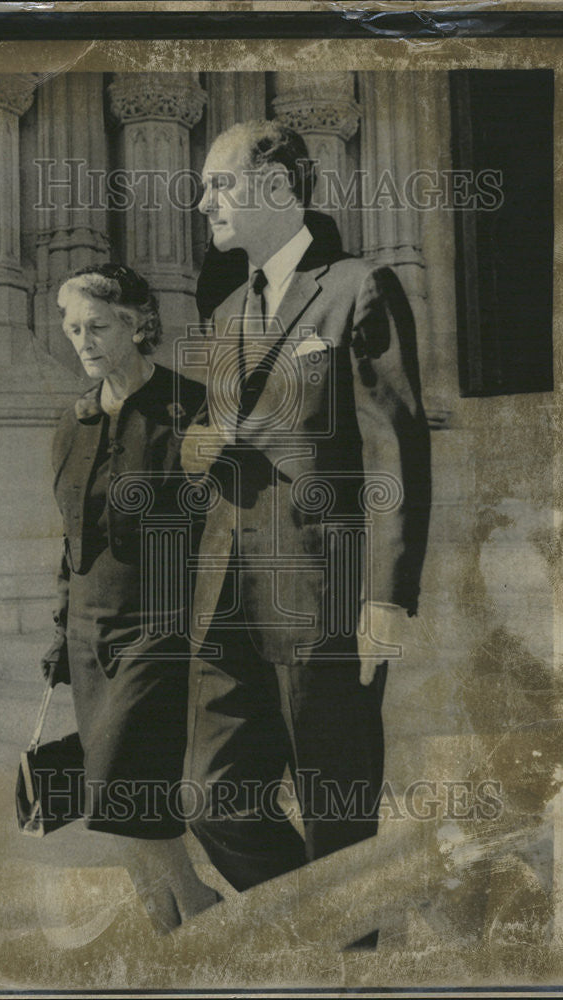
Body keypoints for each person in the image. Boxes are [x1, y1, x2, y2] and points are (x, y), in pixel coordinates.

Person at [181, 120, 431, 895]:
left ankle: (343, 963)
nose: (203, 203)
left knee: (334, 809)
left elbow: (394, 449)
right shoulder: (225, 315)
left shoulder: (357, 286)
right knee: (210, 797)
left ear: (280, 187)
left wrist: (387, 595)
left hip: (326, 593)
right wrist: (200, 445)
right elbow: (205, 449)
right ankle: (314, 922)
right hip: (231, 598)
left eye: (219, 184)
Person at [40, 263, 219, 933]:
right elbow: (70, 539)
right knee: (123, 801)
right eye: (72, 327)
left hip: (159, 625)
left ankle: (198, 905)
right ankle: (173, 932)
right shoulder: (74, 420)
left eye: (97, 326)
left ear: (139, 325)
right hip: (89, 633)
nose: (80, 340)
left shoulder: (190, 408)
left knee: (121, 784)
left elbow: (223, 525)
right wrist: (61, 634)